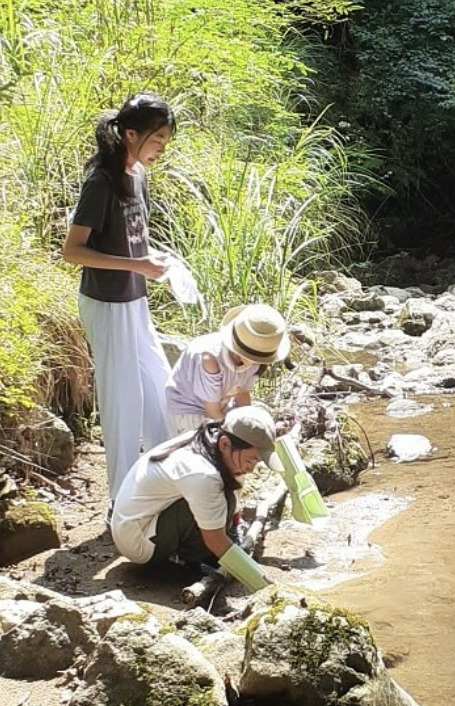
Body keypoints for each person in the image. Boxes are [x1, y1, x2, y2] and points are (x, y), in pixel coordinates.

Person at [62, 93, 177, 503]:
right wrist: (136, 265)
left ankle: (168, 483)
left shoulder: (138, 174)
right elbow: (72, 251)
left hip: (134, 299)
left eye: (165, 141)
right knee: (122, 402)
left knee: (161, 387)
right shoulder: (102, 182)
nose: (161, 148)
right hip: (106, 304)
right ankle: (123, 501)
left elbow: (131, 238)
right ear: (131, 134)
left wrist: (153, 258)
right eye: (156, 139)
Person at [111, 405, 280, 591]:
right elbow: (215, 540)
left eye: (257, 461)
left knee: (229, 487)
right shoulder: (202, 474)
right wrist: (264, 586)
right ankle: (188, 561)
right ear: (225, 444)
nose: (252, 468)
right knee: (220, 499)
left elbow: (235, 489)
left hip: (144, 520)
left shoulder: (215, 442)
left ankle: (192, 553)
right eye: (250, 460)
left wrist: (236, 526)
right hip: (137, 540)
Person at [165, 303, 290, 434]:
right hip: (190, 409)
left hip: (221, 403)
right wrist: (240, 431)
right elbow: (212, 411)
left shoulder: (256, 361)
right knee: (217, 442)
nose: (259, 363)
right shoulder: (210, 359)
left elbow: (242, 394)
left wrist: (249, 423)